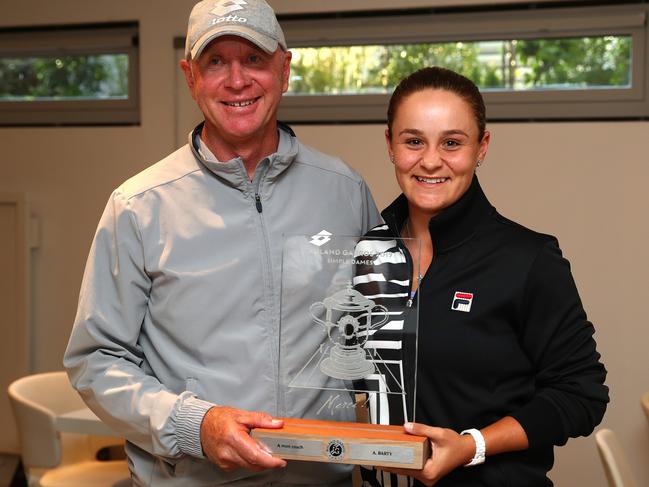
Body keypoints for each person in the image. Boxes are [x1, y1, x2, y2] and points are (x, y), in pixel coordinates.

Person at [63, 1, 380, 485]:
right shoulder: (139, 206)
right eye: (216, 62)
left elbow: (383, 334)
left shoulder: (344, 191)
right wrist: (194, 425)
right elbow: (96, 361)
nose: (237, 81)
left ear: (285, 69)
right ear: (190, 77)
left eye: (254, 59)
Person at [353, 66, 608, 486]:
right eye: (413, 141)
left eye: (452, 143)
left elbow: (582, 394)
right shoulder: (367, 253)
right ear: (390, 145)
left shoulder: (528, 259)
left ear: (481, 147)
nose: (431, 160)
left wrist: (473, 445)